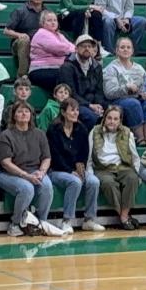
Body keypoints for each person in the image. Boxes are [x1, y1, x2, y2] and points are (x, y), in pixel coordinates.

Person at [43, 98, 104, 233]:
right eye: (72, 110)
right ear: (63, 112)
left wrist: (80, 167)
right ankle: (66, 220)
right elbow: (54, 155)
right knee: (75, 182)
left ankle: (89, 219)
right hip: (57, 169)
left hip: (76, 169)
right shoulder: (54, 129)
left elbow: (84, 151)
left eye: (77, 110)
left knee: (94, 181)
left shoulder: (81, 128)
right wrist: (70, 171)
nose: (76, 113)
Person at [0, 100, 54, 236]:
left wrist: (42, 172)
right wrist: (26, 176)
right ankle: (15, 224)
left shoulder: (39, 134)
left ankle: (41, 222)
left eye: (27, 111)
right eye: (20, 111)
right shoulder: (6, 135)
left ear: (31, 115)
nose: (24, 114)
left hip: (34, 170)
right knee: (26, 188)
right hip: (8, 173)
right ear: (14, 116)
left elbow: (47, 158)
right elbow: (6, 163)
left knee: (46, 186)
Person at [85, 106, 142, 229]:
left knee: (132, 178)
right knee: (108, 183)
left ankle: (124, 215)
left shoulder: (127, 133)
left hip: (123, 167)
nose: (112, 121)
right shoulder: (94, 132)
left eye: (116, 119)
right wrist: (89, 174)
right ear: (104, 119)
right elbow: (89, 157)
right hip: (102, 168)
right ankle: (125, 217)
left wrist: (137, 173)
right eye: (109, 118)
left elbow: (135, 157)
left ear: (120, 121)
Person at [104, 37, 146, 144]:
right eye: (122, 47)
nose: (125, 50)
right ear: (117, 50)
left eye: (128, 47)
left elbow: (143, 87)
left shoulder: (139, 69)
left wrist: (144, 93)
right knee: (133, 103)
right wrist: (126, 88)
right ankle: (140, 138)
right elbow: (109, 93)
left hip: (137, 98)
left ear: (132, 51)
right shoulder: (111, 68)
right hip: (118, 101)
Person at [59, 34, 107, 129]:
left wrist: (99, 105)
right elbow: (70, 93)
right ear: (76, 49)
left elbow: (99, 91)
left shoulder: (97, 66)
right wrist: (89, 105)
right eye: (83, 46)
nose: (87, 48)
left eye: (89, 46)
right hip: (75, 103)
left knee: (115, 111)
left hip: (93, 102)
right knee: (90, 117)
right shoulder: (67, 67)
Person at [4, 0, 47, 78]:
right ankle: (22, 76)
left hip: (39, 44)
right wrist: (20, 35)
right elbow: (6, 31)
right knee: (25, 40)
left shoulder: (47, 13)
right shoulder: (20, 11)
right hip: (20, 43)